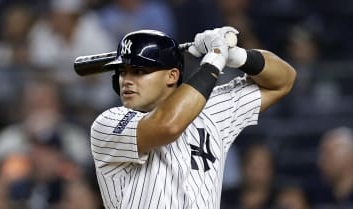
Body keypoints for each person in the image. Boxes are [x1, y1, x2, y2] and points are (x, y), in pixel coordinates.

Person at [89, 27, 296, 209]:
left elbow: (284, 80)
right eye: (123, 72)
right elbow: (168, 125)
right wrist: (215, 58)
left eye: (139, 71)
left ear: (172, 76)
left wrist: (237, 56)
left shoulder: (212, 110)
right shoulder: (109, 123)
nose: (127, 81)